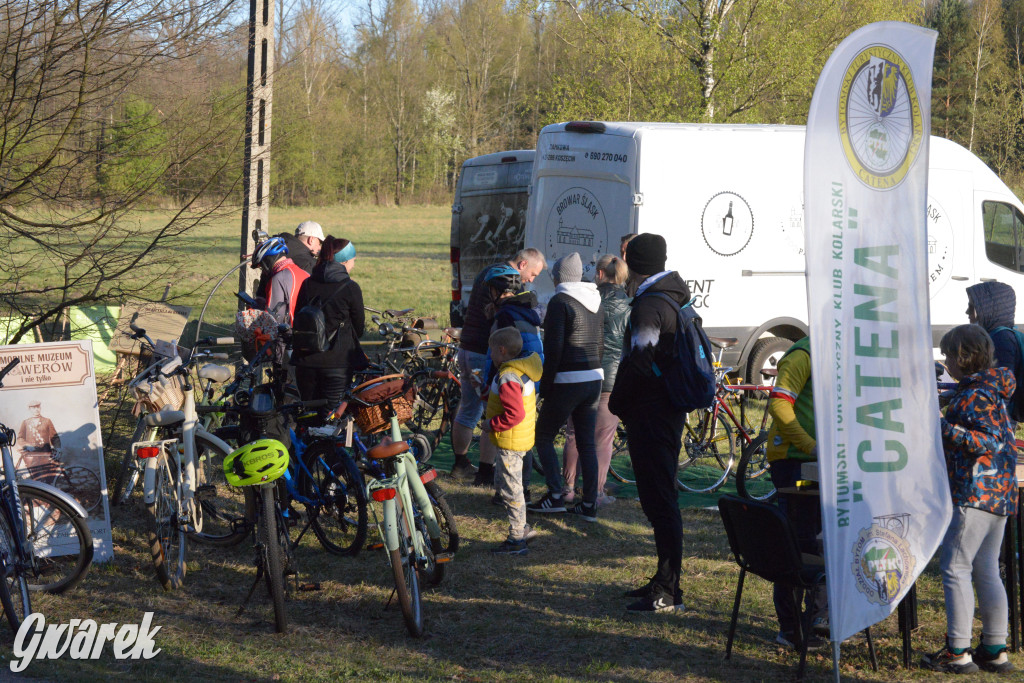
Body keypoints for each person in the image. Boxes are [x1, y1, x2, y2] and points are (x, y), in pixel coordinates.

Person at [922, 324, 1017, 674]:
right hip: (1001, 494)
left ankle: (958, 650)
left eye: (948, 354)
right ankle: (994, 647)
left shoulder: (974, 395)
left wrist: (938, 425)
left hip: (975, 492)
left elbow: (987, 440)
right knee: (986, 569)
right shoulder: (992, 390)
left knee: (955, 568)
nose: (946, 361)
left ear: (964, 356)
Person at [608, 233, 689, 612]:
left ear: (634, 264)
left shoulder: (649, 306)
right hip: (663, 411)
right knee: (659, 499)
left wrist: (618, 401)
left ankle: (668, 591)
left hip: (653, 414)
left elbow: (640, 360)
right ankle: (664, 580)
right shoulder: (669, 298)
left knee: (661, 500)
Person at [449, 248, 546, 478]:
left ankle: (460, 464)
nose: (531, 280)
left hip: (466, 349)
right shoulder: (507, 284)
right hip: (484, 353)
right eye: (532, 274)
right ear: (522, 265)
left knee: (468, 410)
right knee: (490, 411)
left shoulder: (487, 272)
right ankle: (485, 470)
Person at [526, 252, 603, 522]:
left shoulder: (560, 301)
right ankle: (590, 503)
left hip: (568, 378)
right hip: (594, 377)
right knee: (586, 443)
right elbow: (601, 342)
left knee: (543, 435)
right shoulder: (596, 299)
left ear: (559, 276)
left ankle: (555, 495)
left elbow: (554, 347)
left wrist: (545, 386)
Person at [763, 335, 827, 649]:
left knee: (822, 541)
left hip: (824, 462)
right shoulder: (803, 354)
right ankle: (791, 628)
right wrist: (812, 447)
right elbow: (778, 404)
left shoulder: (843, 350)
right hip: (794, 462)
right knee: (800, 544)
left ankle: (817, 619)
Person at [562, 254, 630, 507]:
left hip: (584, 373)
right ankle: (597, 492)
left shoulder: (588, 299)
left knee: (573, 433)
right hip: (611, 380)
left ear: (600, 274)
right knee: (602, 438)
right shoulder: (629, 305)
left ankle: (567, 488)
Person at [483, 327, 543, 555]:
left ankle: (517, 537)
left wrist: (491, 424)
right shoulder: (522, 370)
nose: (490, 356)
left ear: (501, 350)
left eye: (491, 351)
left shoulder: (508, 376)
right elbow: (505, 399)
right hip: (519, 437)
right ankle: (522, 527)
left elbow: (514, 414)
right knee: (508, 484)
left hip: (511, 441)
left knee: (511, 490)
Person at [290, 237, 367, 410]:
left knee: (308, 418)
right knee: (332, 421)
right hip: (338, 363)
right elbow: (359, 328)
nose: (353, 265)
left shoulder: (307, 283)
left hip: (305, 362)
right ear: (345, 261)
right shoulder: (350, 287)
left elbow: (299, 317)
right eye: (353, 261)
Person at [966, 281, 1019, 418]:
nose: (967, 312)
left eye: (972, 307)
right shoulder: (996, 336)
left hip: (998, 419)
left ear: (989, 309)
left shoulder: (1001, 339)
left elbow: (1001, 389)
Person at [253, 235, 309, 326]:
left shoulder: (278, 278)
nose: (263, 271)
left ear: (267, 261)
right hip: (306, 331)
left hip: (290, 335)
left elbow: (273, 318)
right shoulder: (304, 273)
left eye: (262, 266)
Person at [256, 221, 324, 295]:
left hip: (266, 302)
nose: (320, 247)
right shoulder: (311, 264)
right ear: (311, 240)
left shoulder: (274, 254)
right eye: (319, 243)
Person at [17, 400, 59, 469]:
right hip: (32, 455)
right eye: (33, 408)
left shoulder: (47, 421)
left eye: (38, 407)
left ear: (40, 408)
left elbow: (54, 437)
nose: (36, 409)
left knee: (48, 474)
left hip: (46, 453)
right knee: (35, 476)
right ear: (29, 409)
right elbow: (20, 438)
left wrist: (58, 448)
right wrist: (27, 446)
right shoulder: (25, 422)